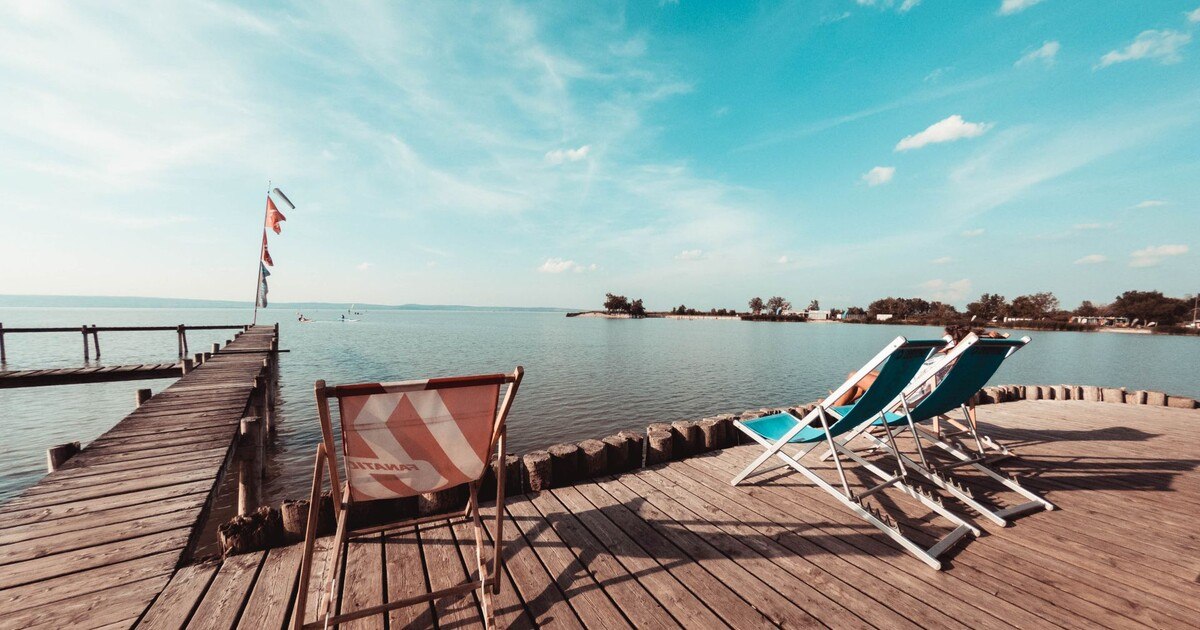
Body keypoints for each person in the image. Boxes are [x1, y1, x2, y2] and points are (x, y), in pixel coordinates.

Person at [832, 325, 1009, 407]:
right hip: (914, 390)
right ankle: (845, 403)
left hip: (904, 395)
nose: (942, 340)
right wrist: (987, 335)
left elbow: (961, 343)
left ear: (955, 342)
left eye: (946, 338)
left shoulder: (948, 358)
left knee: (854, 376)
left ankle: (832, 411)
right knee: (867, 375)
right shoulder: (961, 360)